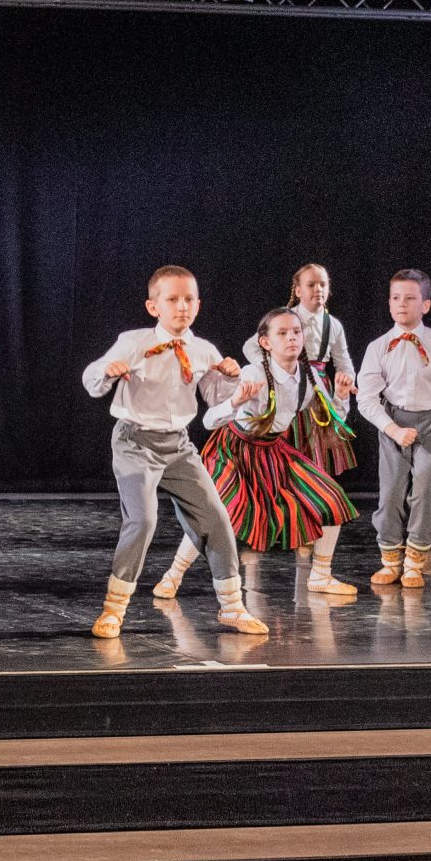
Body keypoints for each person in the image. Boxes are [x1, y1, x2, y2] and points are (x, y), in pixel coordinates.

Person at [80, 266, 264, 640]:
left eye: (189, 299)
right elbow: (92, 380)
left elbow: (214, 397)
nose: (182, 307)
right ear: (154, 307)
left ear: (198, 304)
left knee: (215, 517)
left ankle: (232, 606)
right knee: (143, 520)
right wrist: (108, 371)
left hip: (178, 445)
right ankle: (114, 609)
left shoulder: (203, 349)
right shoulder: (133, 342)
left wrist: (230, 379)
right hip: (135, 442)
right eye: (173, 299)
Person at [153, 305, 361, 601]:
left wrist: (340, 397)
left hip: (273, 450)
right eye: (282, 333)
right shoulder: (253, 374)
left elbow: (332, 418)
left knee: (331, 499)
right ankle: (173, 575)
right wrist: (235, 402)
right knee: (217, 513)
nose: (292, 338)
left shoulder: (310, 377)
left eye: (296, 332)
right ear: (265, 342)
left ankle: (320, 575)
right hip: (235, 451)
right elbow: (209, 421)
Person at [356, 270, 431, 589]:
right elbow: (366, 398)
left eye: (410, 298)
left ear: (426, 305)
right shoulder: (379, 347)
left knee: (426, 491)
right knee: (391, 492)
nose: (401, 304)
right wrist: (393, 429)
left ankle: (414, 561)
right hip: (394, 421)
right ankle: (390, 560)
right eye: (396, 298)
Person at [251, 263, 358, 476]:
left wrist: (348, 379)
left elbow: (343, 359)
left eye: (323, 284)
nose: (318, 289)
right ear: (298, 291)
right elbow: (252, 346)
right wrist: (272, 367)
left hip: (317, 386)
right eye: (311, 285)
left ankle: (312, 486)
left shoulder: (333, 324)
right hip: (287, 382)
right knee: (286, 439)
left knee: (315, 443)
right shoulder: (284, 319)